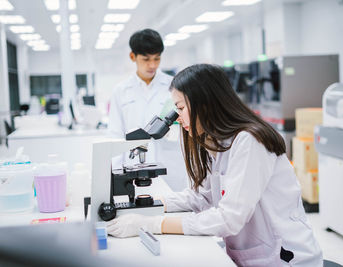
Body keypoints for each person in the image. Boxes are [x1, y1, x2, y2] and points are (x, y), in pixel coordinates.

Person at [107, 64, 323, 266]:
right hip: (247, 254)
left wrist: (154, 225)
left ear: (204, 104)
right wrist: (149, 205)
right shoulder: (216, 141)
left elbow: (229, 218)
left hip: (283, 258)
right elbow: (201, 196)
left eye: (180, 108)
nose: (177, 118)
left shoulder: (250, 141)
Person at [108, 28, 187, 191]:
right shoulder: (121, 91)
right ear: (133, 57)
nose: (152, 65)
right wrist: (116, 174)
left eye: (157, 59)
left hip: (171, 169)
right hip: (134, 170)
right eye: (146, 59)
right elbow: (115, 134)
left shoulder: (175, 86)